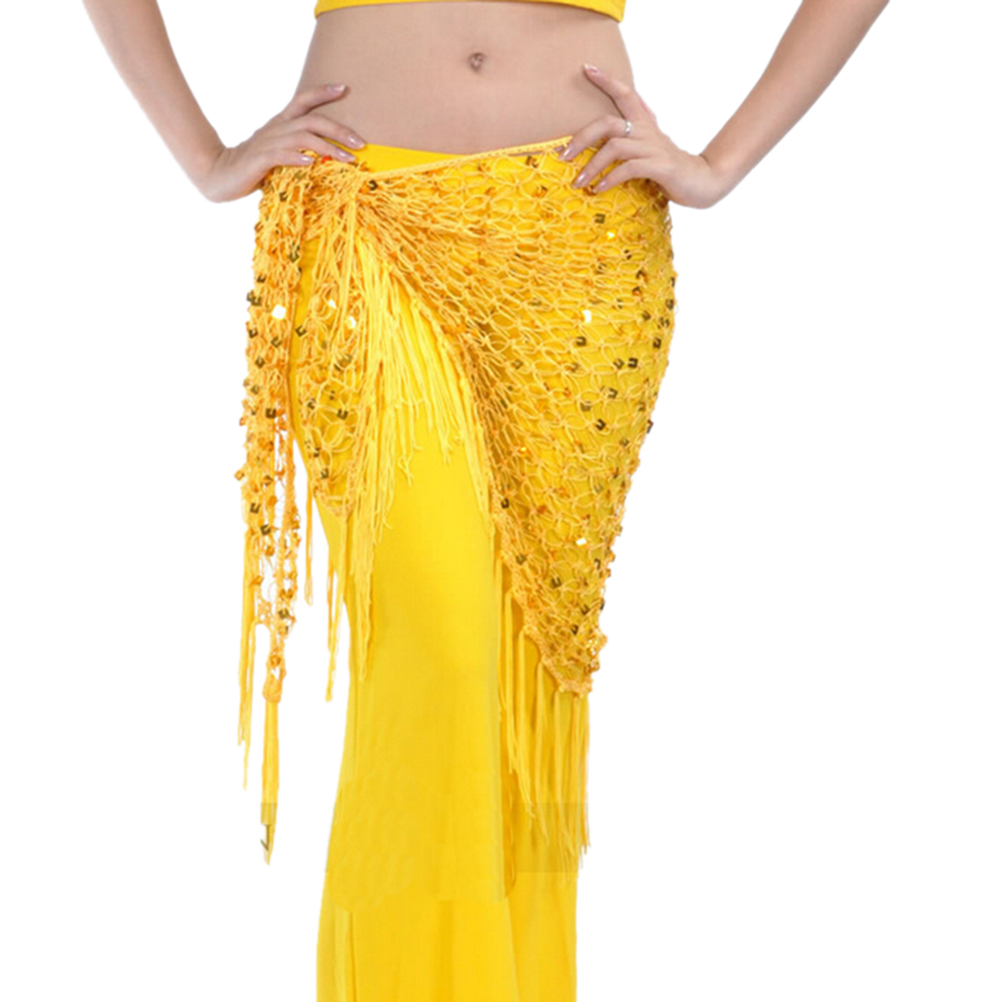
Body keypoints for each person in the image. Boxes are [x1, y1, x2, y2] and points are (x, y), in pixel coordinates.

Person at [82, 1, 891, 999]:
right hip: (364, 224)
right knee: (438, 650)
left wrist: (718, 165)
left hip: (579, 240)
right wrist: (204, 156)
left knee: (524, 678)